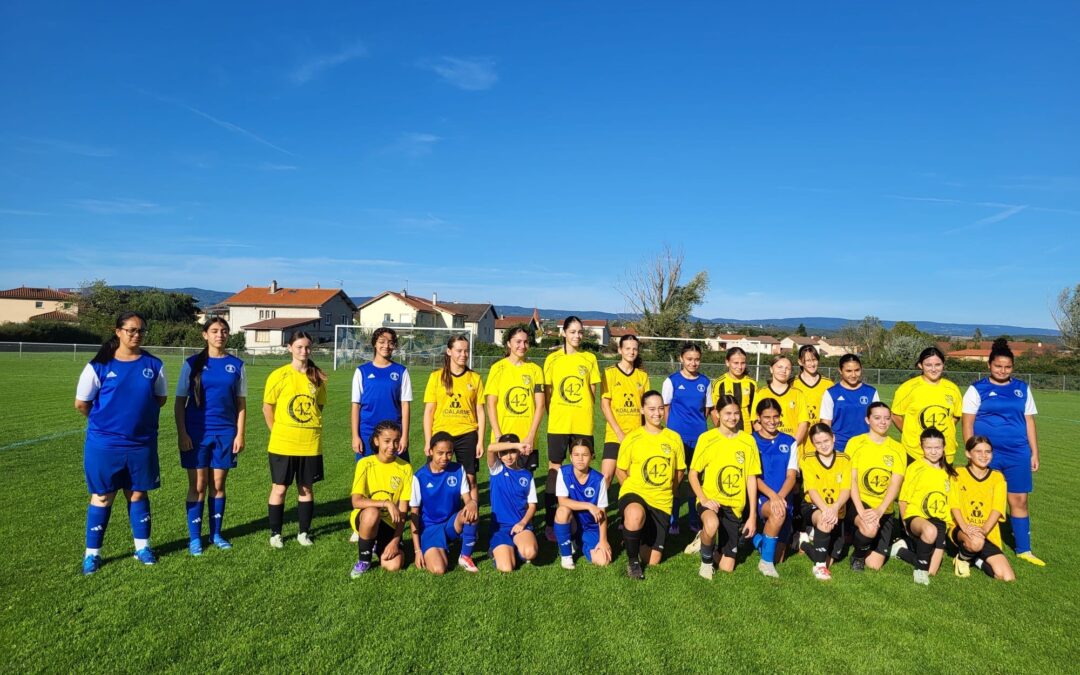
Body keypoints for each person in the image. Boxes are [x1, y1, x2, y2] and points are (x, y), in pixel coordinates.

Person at [76, 312, 167, 574]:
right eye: (131, 330)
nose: (137, 335)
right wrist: (106, 423)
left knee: (137, 493)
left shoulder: (154, 364)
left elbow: (160, 399)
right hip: (105, 445)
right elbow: (81, 404)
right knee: (102, 496)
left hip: (141, 443)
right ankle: (92, 554)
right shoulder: (99, 365)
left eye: (141, 330)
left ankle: (142, 548)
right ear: (118, 332)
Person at [961, 338, 1043, 566]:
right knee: (983, 501)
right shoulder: (977, 389)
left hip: (1018, 453)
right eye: (998, 366)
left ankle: (1024, 549)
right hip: (987, 455)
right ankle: (979, 545)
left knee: (1019, 500)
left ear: (1013, 367)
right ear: (989, 365)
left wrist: (1034, 452)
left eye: (1007, 367)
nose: (1002, 370)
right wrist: (972, 452)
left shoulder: (1022, 389)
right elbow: (967, 424)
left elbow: (1029, 422)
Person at [174, 316, 246, 555]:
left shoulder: (237, 365)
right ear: (205, 335)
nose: (219, 335)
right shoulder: (191, 364)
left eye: (224, 331)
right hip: (196, 432)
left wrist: (240, 434)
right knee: (198, 485)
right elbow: (179, 403)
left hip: (225, 433)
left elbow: (241, 404)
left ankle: (216, 534)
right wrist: (182, 433)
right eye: (214, 331)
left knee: (218, 485)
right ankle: (195, 538)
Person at [263, 331, 327, 549]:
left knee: (306, 488)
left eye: (307, 347)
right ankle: (276, 534)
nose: (304, 351)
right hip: (282, 444)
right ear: (290, 348)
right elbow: (267, 407)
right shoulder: (278, 375)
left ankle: (303, 533)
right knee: (279, 488)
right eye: (299, 347)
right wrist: (276, 431)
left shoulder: (317, 377)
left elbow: (319, 406)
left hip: (310, 444)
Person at [617, 390, 686, 580]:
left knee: (653, 560)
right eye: (652, 409)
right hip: (635, 493)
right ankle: (633, 562)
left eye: (660, 408)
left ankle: (632, 536)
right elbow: (620, 470)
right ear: (642, 410)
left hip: (661, 501)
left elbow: (679, 471)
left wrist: (669, 490)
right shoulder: (632, 438)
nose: (657, 413)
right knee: (634, 512)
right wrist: (630, 491)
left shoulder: (674, 438)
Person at [689, 395, 761, 578]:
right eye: (728, 413)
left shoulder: (748, 441)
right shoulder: (707, 438)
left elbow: (751, 478)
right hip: (711, 500)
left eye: (736, 413)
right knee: (711, 523)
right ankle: (706, 563)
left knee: (727, 568)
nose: (732, 417)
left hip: (735, 506)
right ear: (717, 414)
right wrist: (704, 500)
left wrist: (752, 515)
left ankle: (705, 540)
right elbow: (693, 474)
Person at [543, 316, 601, 541]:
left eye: (580, 332)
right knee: (555, 469)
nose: (577, 336)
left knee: (582, 468)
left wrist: (581, 410)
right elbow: (548, 393)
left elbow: (592, 393)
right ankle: (551, 521)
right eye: (573, 331)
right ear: (564, 333)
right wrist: (558, 412)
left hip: (582, 423)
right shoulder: (552, 359)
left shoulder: (589, 358)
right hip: (558, 423)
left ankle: (583, 520)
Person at [423, 334, 485, 511]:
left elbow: (480, 412)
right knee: (437, 475)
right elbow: (429, 411)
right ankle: (437, 514)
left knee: (470, 478)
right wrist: (428, 440)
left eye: (466, 351)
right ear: (449, 351)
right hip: (441, 435)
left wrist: (480, 441)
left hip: (467, 434)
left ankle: (472, 519)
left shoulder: (475, 378)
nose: (463, 354)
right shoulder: (436, 377)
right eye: (459, 351)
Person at [846, 402, 906, 572]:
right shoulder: (855, 443)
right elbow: (852, 479)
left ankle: (866, 539)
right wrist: (861, 511)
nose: (883, 422)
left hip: (883, 508)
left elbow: (895, 483)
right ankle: (857, 556)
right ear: (868, 420)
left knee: (874, 564)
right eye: (877, 418)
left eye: (887, 418)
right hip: (859, 502)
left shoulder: (898, 449)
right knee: (869, 528)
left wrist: (880, 510)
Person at [409, 432, 480, 574]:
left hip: (451, 523)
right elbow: (414, 514)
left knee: (471, 511)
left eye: (449, 453)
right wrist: (417, 550)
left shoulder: (458, 469)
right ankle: (448, 542)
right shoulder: (419, 477)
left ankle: (465, 556)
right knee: (439, 569)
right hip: (430, 528)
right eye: (440, 453)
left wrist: (472, 503)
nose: (445, 457)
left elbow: (467, 499)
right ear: (431, 452)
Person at [348, 421, 412, 577]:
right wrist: (386, 503)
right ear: (376, 441)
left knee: (393, 565)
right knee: (372, 513)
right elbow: (356, 501)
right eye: (387, 441)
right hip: (366, 518)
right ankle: (364, 559)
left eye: (396, 441)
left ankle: (377, 544)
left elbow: (403, 511)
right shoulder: (365, 463)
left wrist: (395, 540)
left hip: (389, 523)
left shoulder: (405, 468)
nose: (392, 446)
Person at [893, 428, 956, 585]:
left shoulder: (949, 472)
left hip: (940, 522)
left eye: (937, 447)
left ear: (944, 447)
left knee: (932, 570)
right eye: (929, 447)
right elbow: (903, 500)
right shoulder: (915, 468)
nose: (933, 452)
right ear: (922, 447)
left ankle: (899, 550)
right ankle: (919, 571)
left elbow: (951, 502)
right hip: (917, 517)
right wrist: (906, 524)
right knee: (929, 530)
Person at [662, 342, 712, 535]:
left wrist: (696, 426)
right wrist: (673, 431)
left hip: (698, 438)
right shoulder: (672, 381)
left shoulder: (705, 382)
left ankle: (693, 517)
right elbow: (666, 408)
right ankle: (673, 518)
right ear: (681, 358)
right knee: (676, 477)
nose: (693, 363)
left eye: (697, 359)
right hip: (677, 438)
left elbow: (706, 410)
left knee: (695, 478)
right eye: (689, 359)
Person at [949, 436, 1015, 581]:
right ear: (968, 454)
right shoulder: (958, 474)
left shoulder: (998, 478)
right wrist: (965, 528)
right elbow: (954, 505)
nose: (984, 455)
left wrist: (983, 531)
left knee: (1007, 577)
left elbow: (997, 509)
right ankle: (962, 558)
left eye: (988, 452)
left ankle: (975, 559)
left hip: (986, 532)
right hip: (961, 528)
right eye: (978, 451)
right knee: (975, 542)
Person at [485, 326, 544, 471]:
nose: (522, 346)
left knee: (525, 481)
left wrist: (531, 436)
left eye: (525, 342)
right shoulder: (497, 368)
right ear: (508, 344)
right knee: (501, 480)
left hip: (526, 439)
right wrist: (498, 436)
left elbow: (540, 406)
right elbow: (491, 404)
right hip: (503, 437)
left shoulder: (536, 370)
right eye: (518, 342)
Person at [750, 399, 798, 575]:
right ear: (758, 418)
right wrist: (773, 496)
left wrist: (780, 497)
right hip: (762, 498)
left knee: (779, 557)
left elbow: (791, 476)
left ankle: (756, 539)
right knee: (777, 513)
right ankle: (766, 563)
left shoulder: (790, 441)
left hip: (784, 499)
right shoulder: (751, 440)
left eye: (776, 416)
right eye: (767, 417)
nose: (772, 421)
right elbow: (752, 477)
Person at [891, 347, 962, 464]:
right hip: (915, 453)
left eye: (938, 364)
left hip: (944, 452)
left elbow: (955, 416)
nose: (933, 369)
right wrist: (911, 434)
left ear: (943, 365)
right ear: (920, 365)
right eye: (928, 365)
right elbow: (895, 415)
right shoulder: (908, 388)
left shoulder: (953, 389)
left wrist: (940, 431)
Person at [350, 327, 412, 460]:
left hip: (394, 433)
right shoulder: (362, 371)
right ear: (374, 343)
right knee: (367, 470)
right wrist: (355, 436)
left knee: (397, 471)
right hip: (367, 431)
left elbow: (405, 405)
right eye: (382, 342)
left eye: (390, 342)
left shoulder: (401, 371)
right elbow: (356, 405)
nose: (386, 346)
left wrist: (404, 436)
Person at [800, 424, 851, 581]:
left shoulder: (845, 459)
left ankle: (804, 544)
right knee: (825, 521)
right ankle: (819, 567)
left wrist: (835, 507)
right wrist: (826, 511)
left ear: (833, 438)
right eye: (818, 442)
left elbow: (846, 489)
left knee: (832, 558)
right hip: (814, 506)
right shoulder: (807, 459)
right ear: (813, 444)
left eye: (826, 440)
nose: (823, 445)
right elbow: (812, 490)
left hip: (838, 510)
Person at [554, 436, 612, 569]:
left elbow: (602, 512)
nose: (580, 459)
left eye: (585, 455)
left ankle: (579, 542)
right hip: (573, 522)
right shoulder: (563, 473)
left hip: (591, 527)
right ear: (571, 457)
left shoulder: (599, 479)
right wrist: (589, 505)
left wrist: (603, 540)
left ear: (592, 457)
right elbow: (562, 501)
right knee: (562, 511)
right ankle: (566, 556)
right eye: (576, 455)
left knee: (603, 561)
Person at [600, 334, 649, 489]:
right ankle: (598, 506)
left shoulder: (642, 376)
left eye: (635, 349)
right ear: (620, 350)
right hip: (614, 435)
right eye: (627, 348)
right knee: (606, 477)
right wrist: (619, 432)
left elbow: (646, 407)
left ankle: (630, 504)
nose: (631, 352)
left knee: (630, 479)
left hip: (635, 435)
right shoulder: (609, 373)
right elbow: (605, 405)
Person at [485, 434, 539, 572]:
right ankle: (500, 550)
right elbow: (490, 448)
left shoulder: (527, 475)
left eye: (513, 452)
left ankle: (515, 547)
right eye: (504, 453)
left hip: (520, 525)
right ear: (499, 455)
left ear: (518, 453)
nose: (508, 457)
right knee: (506, 567)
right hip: (500, 527)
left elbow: (532, 506)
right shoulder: (497, 469)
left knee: (530, 553)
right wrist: (516, 445)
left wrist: (523, 523)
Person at [819, 353, 879, 452]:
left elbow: (877, 421)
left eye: (857, 370)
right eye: (849, 371)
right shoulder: (831, 393)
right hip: (839, 447)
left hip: (865, 446)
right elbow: (826, 424)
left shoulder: (871, 392)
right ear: (840, 370)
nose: (853, 375)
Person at [749, 355, 810, 447]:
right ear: (771, 369)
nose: (783, 371)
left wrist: (792, 445)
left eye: (787, 368)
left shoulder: (798, 394)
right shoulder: (761, 393)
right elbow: (755, 420)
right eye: (780, 367)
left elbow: (803, 423)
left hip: (792, 447)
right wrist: (767, 442)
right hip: (769, 447)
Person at [792, 345, 835, 454]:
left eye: (814, 359)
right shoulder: (792, 384)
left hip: (820, 438)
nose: (812, 364)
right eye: (808, 360)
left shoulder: (828, 384)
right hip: (798, 438)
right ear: (800, 362)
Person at [710, 347, 756, 431]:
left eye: (743, 363)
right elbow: (714, 411)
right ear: (727, 362)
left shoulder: (752, 383)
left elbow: (756, 411)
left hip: (748, 432)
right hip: (726, 432)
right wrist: (721, 431)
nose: (740, 367)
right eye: (736, 363)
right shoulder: (719, 384)